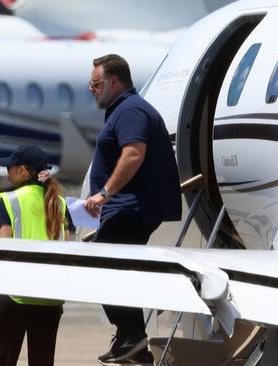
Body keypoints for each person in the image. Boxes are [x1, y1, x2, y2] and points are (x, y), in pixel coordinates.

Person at [84, 54, 182, 365]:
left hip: (132, 208)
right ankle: (133, 342)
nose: (92, 90)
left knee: (103, 266)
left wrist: (104, 193)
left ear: (114, 82)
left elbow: (133, 154)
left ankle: (132, 336)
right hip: (124, 208)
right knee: (115, 269)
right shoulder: (122, 110)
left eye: (96, 84)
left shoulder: (131, 110)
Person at [0, 144, 72, 366]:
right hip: (49, 297)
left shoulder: (10, 200)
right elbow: (69, 250)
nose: (7, 170)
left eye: (11, 166)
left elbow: (2, 248)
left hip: (13, 294)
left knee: (2, 361)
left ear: (24, 170)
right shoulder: (61, 203)